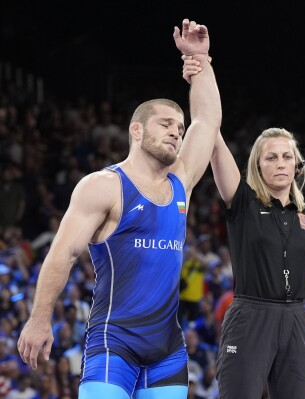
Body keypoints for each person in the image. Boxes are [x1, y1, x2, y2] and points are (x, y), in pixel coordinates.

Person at [17, 19, 221, 399]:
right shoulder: (104, 186)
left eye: (179, 126)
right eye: (166, 124)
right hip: (114, 346)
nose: (176, 131)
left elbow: (207, 121)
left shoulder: (182, 183)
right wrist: (39, 318)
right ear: (137, 131)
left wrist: (201, 60)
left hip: (168, 351)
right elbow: (63, 253)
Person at [182, 60, 305, 398]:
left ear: (297, 164)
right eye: (271, 157)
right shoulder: (242, 201)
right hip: (250, 317)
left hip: (296, 321)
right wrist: (202, 71)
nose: (280, 164)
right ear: (257, 165)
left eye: (287, 157)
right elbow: (210, 131)